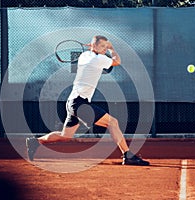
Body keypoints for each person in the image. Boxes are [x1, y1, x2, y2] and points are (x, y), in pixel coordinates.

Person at [26, 35, 149, 166]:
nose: (105, 49)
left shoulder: (84, 56)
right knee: (113, 122)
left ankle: (35, 141)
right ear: (95, 46)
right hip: (79, 103)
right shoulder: (99, 59)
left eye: (106, 47)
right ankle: (127, 155)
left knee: (66, 135)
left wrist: (96, 47)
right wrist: (112, 48)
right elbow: (117, 61)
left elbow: (94, 53)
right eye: (103, 46)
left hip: (72, 102)